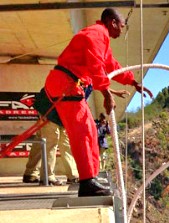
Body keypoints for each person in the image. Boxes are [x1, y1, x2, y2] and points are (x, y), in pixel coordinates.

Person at [44, 8, 152, 196]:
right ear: (112, 22)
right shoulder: (96, 34)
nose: (122, 30)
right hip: (66, 85)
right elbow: (96, 67)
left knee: (90, 132)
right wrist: (107, 95)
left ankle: (90, 178)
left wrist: (133, 82)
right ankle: (87, 183)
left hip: (68, 85)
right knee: (84, 133)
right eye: (121, 25)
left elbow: (111, 66)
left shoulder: (101, 37)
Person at [22, 121, 79, 185]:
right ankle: (47, 176)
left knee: (48, 139)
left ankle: (31, 173)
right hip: (51, 114)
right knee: (51, 140)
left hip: (61, 115)